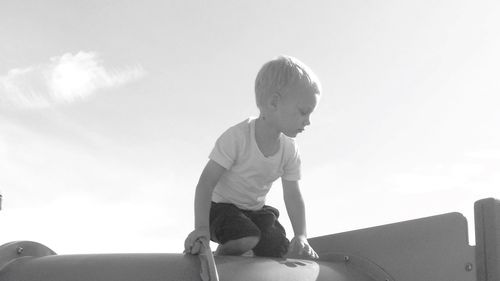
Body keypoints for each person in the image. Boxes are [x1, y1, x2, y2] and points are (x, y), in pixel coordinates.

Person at [184, 55, 321, 259]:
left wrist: (301, 235)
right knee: (247, 237)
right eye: (303, 112)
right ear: (274, 102)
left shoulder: (290, 150)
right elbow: (206, 183)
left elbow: (292, 195)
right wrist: (201, 229)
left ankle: (245, 254)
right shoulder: (237, 138)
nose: (308, 121)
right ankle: (223, 257)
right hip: (221, 210)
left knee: (279, 249)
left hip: (255, 212)